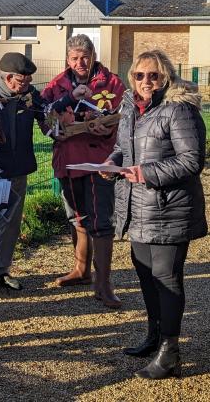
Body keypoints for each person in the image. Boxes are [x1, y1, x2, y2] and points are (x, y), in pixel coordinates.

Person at [100, 50, 207, 379]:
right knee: (146, 276)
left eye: (154, 75)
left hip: (169, 208)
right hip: (137, 208)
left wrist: (146, 173)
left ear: (166, 76)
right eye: (139, 75)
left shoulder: (179, 109)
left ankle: (170, 352)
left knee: (166, 279)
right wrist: (111, 163)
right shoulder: (131, 106)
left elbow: (192, 161)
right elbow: (123, 146)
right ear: (131, 77)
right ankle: (154, 335)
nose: (146, 82)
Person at [41, 34, 125, 308]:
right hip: (67, 159)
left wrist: (108, 128)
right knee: (77, 217)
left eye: (85, 57)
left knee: (101, 221)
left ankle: (104, 284)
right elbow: (44, 118)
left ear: (94, 57)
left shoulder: (111, 83)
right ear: (67, 59)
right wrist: (56, 127)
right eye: (75, 58)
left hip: (99, 160)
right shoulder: (56, 85)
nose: (80, 62)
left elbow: (124, 118)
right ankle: (81, 271)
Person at [0, 52, 47, 294]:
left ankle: (1, 270)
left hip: (19, 167)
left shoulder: (31, 97)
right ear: (7, 77)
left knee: (11, 223)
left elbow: (48, 120)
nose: (26, 84)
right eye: (22, 80)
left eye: (28, 80)